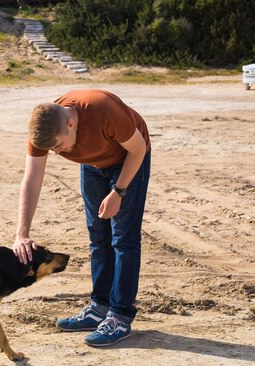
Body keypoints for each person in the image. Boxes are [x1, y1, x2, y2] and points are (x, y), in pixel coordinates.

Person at [12, 89, 151, 347]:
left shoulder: (103, 110)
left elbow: (138, 148)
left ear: (71, 123)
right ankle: (99, 307)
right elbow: (32, 179)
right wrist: (22, 233)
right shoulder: (44, 129)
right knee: (98, 236)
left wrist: (118, 192)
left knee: (123, 239)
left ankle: (120, 316)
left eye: (57, 145)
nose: (55, 152)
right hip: (94, 163)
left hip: (129, 158)